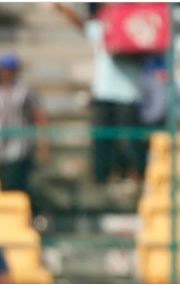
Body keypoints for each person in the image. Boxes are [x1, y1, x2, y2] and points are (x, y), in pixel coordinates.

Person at [55, 3, 143, 184]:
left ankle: (139, 176)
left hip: (128, 94)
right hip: (104, 93)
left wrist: (126, 50)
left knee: (132, 140)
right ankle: (100, 179)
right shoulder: (103, 28)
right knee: (102, 140)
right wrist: (61, 8)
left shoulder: (134, 27)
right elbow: (82, 24)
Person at [0, 53, 49, 192]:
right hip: (0, 149)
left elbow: (39, 116)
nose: (5, 73)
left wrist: (43, 143)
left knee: (16, 186)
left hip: (20, 148)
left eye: (9, 69)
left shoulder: (25, 91)